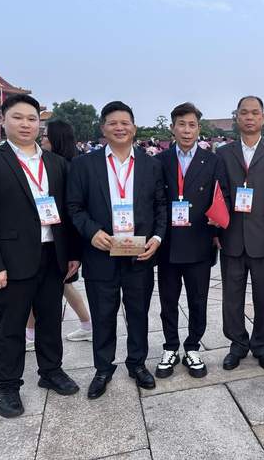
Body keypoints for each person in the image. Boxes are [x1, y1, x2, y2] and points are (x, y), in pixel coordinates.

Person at [0, 94, 81, 419]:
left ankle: (51, 371)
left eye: (32, 119)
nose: (26, 124)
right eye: (18, 117)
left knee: (50, 320)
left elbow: (67, 213)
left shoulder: (56, 163)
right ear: (3, 121)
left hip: (52, 255)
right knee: (11, 325)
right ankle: (7, 385)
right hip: (11, 260)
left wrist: (72, 254)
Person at [67, 101, 167, 399]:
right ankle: (103, 368)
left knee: (138, 313)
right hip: (101, 252)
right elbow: (74, 207)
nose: (119, 128)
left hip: (139, 253)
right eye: (113, 123)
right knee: (103, 314)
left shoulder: (151, 164)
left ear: (134, 128)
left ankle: (137, 363)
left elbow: (161, 207)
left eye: (125, 123)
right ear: (103, 128)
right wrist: (92, 232)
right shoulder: (84, 165)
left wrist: (157, 238)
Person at [155, 102, 230, 379]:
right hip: (168, 244)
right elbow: (153, 199)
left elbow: (224, 195)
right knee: (168, 300)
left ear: (199, 129)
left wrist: (219, 222)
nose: (187, 130)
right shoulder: (160, 161)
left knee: (198, 300)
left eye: (192, 125)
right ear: (172, 128)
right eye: (181, 125)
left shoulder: (213, 161)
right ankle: (170, 346)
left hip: (200, 240)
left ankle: (192, 346)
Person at [216, 96, 264, 371]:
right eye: (244, 113)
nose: (249, 117)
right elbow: (218, 194)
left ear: (263, 117)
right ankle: (237, 344)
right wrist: (216, 229)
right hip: (231, 237)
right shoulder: (223, 153)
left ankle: (261, 345)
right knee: (231, 298)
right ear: (236, 117)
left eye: (254, 113)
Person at [24, 120, 93, 349]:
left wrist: (73, 251)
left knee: (55, 286)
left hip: (61, 239)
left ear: (56, 139)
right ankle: (85, 325)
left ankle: (31, 334)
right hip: (57, 237)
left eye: (45, 136)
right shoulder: (58, 162)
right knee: (62, 286)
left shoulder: (64, 166)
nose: (42, 139)